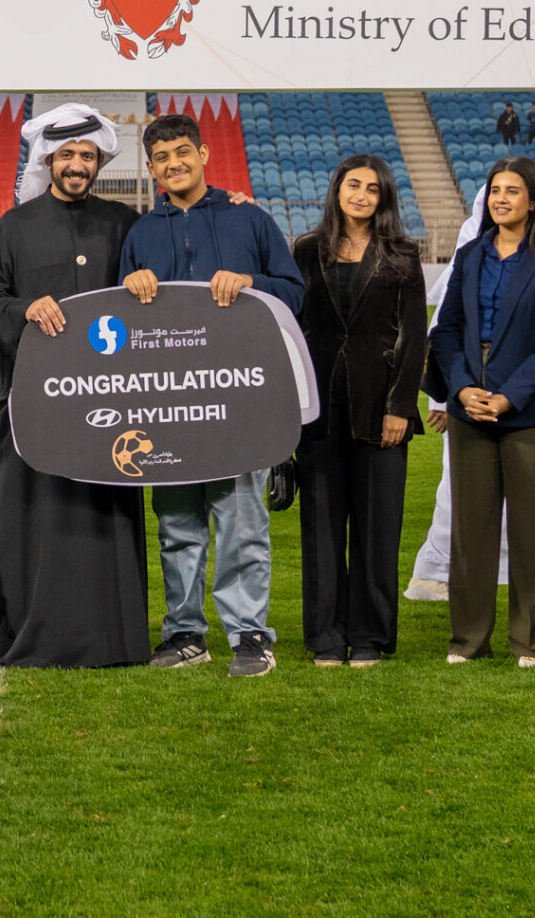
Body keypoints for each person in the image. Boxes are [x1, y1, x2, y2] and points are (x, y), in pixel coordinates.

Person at [122, 111, 307, 678]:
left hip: (240, 401)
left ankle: (250, 635)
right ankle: (184, 633)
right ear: (151, 169)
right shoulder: (140, 233)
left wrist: (252, 284)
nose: (174, 163)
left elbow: (294, 294)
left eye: (183, 152)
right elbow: (119, 330)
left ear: (203, 154)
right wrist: (129, 288)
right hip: (169, 404)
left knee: (242, 522)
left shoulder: (249, 219)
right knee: (177, 524)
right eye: (162, 158)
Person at [0, 104, 151, 669]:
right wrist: (26, 310)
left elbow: (153, 296)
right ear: (48, 160)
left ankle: (112, 638)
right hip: (34, 401)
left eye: (88, 156)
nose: (77, 165)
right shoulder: (14, 226)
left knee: (105, 512)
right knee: (35, 511)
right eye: (67, 155)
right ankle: (37, 633)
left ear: (99, 162)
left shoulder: (125, 224)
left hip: (109, 402)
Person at [429, 156, 535, 668]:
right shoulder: (470, 254)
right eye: (495, 190)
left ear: (532, 201)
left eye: (513, 191)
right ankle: (468, 641)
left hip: (530, 414)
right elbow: (446, 330)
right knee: (470, 534)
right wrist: (461, 389)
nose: (501, 199)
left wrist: (509, 396)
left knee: (532, 533)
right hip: (469, 408)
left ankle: (532, 643)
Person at [290, 155, 425, 667]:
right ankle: (326, 636)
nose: (361, 195)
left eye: (372, 188)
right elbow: (294, 328)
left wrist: (399, 407)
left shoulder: (403, 253)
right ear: (337, 190)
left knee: (377, 530)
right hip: (319, 411)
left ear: (383, 197)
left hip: (381, 410)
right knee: (321, 529)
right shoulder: (306, 250)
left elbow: (415, 337)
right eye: (353, 185)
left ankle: (370, 637)